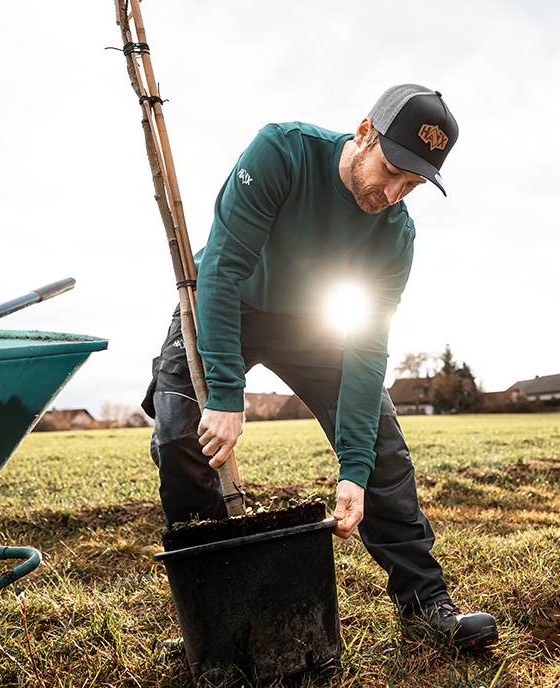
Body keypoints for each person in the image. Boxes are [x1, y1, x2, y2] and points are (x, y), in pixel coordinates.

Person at [142, 84, 498, 651]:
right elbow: (223, 272)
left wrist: (354, 469)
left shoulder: (396, 235)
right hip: (225, 303)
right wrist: (227, 394)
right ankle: (210, 610)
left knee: (380, 446)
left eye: (413, 184)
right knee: (181, 435)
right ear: (363, 133)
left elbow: (366, 352)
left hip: (312, 325)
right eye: (390, 169)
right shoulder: (281, 153)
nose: (393, 192)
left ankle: (427, 604)